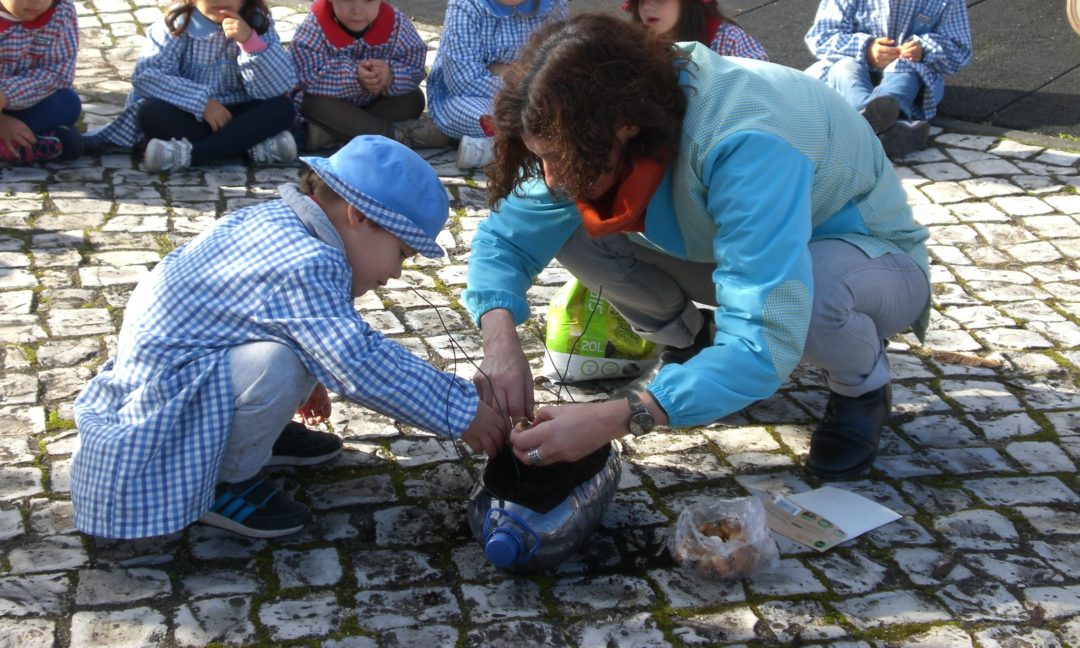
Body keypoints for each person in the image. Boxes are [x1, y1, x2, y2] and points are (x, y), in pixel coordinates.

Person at [461, 14, 931, 481]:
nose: (551, 176)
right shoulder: (603, 114)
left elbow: (763, 338)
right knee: (573, 228)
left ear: (624, 126)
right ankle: (692, 340)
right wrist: (499, 338)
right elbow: (507, 238)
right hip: (749, 247)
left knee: (816, 291)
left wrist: (618, 417)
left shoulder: (745, 138)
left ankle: (862, 388)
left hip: (870, 255)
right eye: (541, 157)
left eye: (558, 156)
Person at [71, 135, 509, 540]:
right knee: (277, 366)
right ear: (357, 216)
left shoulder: (284, 222)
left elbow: (284, 320)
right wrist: (459, 409)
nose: (395, 273)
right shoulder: (306, 263)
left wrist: (313, 379)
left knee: (288, 358)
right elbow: (356, 360)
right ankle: (225, 483)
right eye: (401, 254)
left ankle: (252, 437)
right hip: (160, 422)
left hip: (179, 377)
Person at [84, 0, 298, 172]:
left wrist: (250, 43)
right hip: (189, 114)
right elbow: (146, 75)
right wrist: (202, 103)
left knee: (282, 109)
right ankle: (248, 147)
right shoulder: (177, 23)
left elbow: (278, 86)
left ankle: (191, 154)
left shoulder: (257, 22)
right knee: (150, 113)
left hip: (239, 113)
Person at [804, 0, 972, 158]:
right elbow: (821, 36)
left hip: (906, 75)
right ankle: (890, 125)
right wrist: (867, 49)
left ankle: (871, 118)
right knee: (845, 67)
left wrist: (924, 49)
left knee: (906, 70)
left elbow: (960, 50)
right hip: (853, 68)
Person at [290, 0, 450, 151]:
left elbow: (414, 65)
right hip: (333, 103)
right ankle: (402, 136)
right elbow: (307, 76)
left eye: (368, 0)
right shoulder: (314, 26)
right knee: (310, 102)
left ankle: (327, 136)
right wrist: (354, 76)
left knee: (413, 98)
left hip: (375, 103)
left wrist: (390, 75)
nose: (357, 10)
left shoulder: (395, 24)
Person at [426, 0, 567, 170]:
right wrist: (525, 80)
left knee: (564, 105)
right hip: (471, 97)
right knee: (487, 117)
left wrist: (501, 71)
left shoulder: (553, 4)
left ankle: (498, 148)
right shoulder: (466, 6)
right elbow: (462, 81)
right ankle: (526, 146)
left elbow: (558, 62)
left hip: (536, 95)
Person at [0, 0, 84, 163]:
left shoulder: (61, 11)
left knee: (67, 103)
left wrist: (5, 94)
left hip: (17, 100)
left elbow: (57, 73)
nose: (37, 2)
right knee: (70, 141)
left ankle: (15, 143)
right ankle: (16, 147)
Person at [622, 0, 767, 60]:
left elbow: (759, 81)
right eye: (640, 0)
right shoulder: (635, 45)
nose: (646, 7)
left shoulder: (727, 40)